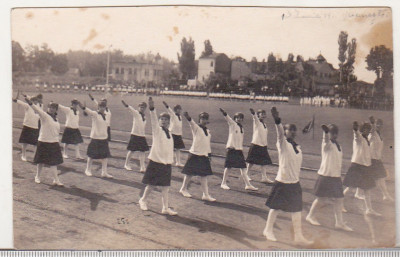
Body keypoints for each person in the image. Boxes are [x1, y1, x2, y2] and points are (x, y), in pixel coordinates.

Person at [263, 107, 313, 245]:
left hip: (295, 183)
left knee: (297, 210)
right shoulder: (282, 143)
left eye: (293, 129)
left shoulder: (297, 147)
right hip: (283, 182)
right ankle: (268, 230)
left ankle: (298, 236)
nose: (292, 131)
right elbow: (279, 134)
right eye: (289, 129)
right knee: (275, 208)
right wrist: (277, 120)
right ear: (285, 131)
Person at [306, 124, 353, 231]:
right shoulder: (326, 144)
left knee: (339, 199)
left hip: (335, 177)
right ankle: (310, 216)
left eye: (335, 132)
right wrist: (325, 132)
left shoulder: (338, 146)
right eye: (332, 132)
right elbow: (326, 139)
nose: (334, 134)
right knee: (321, 199)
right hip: (326, 175)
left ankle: (339, 223)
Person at [139, 97, 177, 215]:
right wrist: (152, 108)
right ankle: (143, 200)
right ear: (160, 120)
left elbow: (169, 148)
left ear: (169, 122)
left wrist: (171, 160)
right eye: (162, 119)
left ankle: (165, 208)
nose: (164, 121)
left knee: (165, 187)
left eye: (166, 120)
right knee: (151, 185)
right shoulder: (157, 130)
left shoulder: (170, 133)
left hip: (166, 163)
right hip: (156, 162)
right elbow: (153, 120)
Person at [343, 121, 381, 216]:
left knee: (367, 189)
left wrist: (372, 124)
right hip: (357, 166)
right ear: (362, 130)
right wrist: (355, 129)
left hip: (365, 167)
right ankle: (339, 204)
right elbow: (356, 135)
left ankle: (369, 209)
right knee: (350, 188)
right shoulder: (359, 138)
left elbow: (372, 135)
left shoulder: (367, 139)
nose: (368, 131)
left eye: (368, 129)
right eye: (366, 129)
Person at [25, 98, 64, 186]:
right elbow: (37, 110)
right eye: (50, 107)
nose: (51, 109)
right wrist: (31, 103)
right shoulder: (44, 116)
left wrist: (58, 141)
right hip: (44, 141)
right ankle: (37, 177)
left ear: (56, 110)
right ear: (48, 108)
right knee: (40, 161)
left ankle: (56, 180)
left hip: (53, 142)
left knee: (53, 162)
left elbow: (56, 132)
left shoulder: (56, 119)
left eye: (54, 108)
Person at [179, 111, 216, 201]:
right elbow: (191, 122)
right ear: (199, 119)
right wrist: (188, 117)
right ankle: (183, 189)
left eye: (205, 118)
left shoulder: (207, 131)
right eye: (202, 118)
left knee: (204, 175)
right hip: (195, 154)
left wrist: (209, 155)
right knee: (189, 174)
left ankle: (205, 195)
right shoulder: (196, 128)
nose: (204, 120)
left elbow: (207, 144)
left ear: (207, 120)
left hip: (203, 155)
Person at [219, 108, 258, 191]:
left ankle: (248, 185)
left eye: (241, 118)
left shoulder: (242, 128)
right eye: (237, 117)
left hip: (239, 150)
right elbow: (228, 119)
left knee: (243, 168)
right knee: (228, 167)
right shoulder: (233, 124)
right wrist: (224, 113)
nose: (239, 119)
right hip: (232, 149)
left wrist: (240, 148)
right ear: (235, 118)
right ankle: (223, 183)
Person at [79, 101, 113, 178]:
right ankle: (88, 170)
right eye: (101, 106)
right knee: (91, 155)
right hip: (95, 138)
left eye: (104, 107)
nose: (102, 108)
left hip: (103, 138)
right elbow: (88, 111)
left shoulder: (106, 115)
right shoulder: (95, 114)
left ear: (105, 107)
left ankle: (104, 172)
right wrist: (83, 107)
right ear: (98, 107)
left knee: (105, 156)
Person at [245, 108, 273, 183]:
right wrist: (253, 113)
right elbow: (255, 118)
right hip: (256, 144)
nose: (264, 115)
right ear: (258, 115)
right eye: (262, 114)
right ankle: (246, 174)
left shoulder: (265, 125)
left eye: (264, 114)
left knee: (263, 162)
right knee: (251, 161)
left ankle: (264, 177)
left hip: (263, 146)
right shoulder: (257, 122)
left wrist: (265, 144)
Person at [369, 117, 393, 201]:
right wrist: (372, 123)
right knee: (380, 177)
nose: (379, 126)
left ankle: (385, 195)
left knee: (379, 177)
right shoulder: (373, 133)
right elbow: (371, 131)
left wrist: (380, 156)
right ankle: (385, 195)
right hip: (372, 160)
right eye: (377, 124)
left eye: (380, 125)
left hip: (376, 159)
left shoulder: (379, 135)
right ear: (375, 125)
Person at [122, 100, 149, 172]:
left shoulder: (144, 117)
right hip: (135, 135)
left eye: (143, 107)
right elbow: (130, 109)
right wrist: (125, 104)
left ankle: (142, 167)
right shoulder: (136, 113)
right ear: (138, 107)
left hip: (142, 135)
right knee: (131, 150)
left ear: (145, 108)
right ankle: (126, 164)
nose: (142, 108)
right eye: (141, 107)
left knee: (142, 151)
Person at [13, 91, 40, 161]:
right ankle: (23, 155)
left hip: (35, 127)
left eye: (36, 100)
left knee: (35, 143)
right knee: (25, 142)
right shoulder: (27, 106)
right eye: (33, 100)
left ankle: (35, 156)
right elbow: (20, 102)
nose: (35, 102)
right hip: (27, 126)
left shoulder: (38, 107)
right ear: (31, 101)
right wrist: (15, 99)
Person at [163, 101, 185, 167]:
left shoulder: (180, 117)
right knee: (169, 148)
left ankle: (178, 162)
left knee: (178, 148)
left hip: (178, 134)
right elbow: (169, 110)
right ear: (175, 110)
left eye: (180, 109)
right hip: (172, 134)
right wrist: (166, 105)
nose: (180, 110)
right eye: (178, 109)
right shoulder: (173, 114)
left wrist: (181, 134)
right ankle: (165, 160)